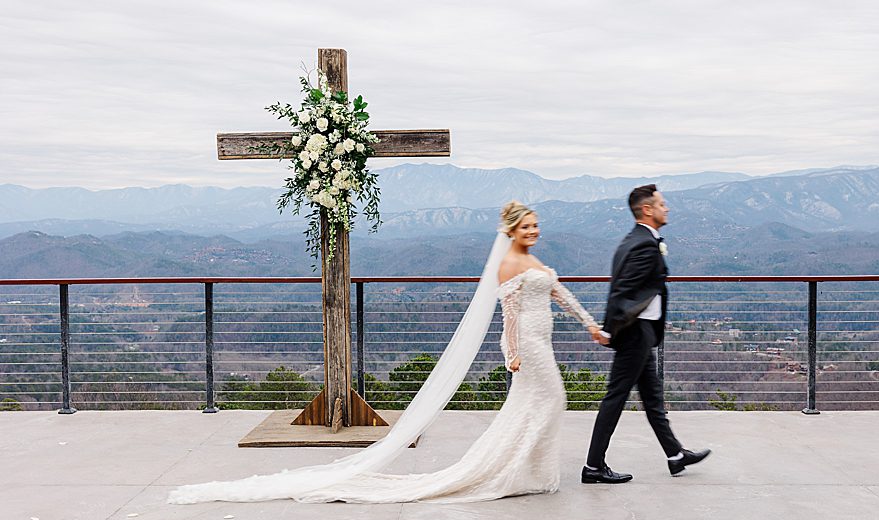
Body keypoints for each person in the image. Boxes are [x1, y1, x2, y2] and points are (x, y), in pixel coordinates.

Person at [169, 201, 601, 504]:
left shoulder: (537, 262)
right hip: (528, 344)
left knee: (539, 405)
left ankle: (528, 470)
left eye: (535, 226)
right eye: (526, 227)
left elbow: (560, 293)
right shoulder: (509, 264)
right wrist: (511, 353)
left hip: (546, 339)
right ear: (511, 231)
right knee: (547, 402)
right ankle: (511, 470)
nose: (533, 231)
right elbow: (507, 314)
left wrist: (589, 324)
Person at [582, 185, 710, 484]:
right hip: (634, 334)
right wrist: (608, 330)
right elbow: (623, 291)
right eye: (663, 204)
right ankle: (592, 466)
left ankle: (675, 455)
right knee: (615, 398)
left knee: (653, 399)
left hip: (643, 333)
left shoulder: (635, 240)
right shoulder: (643, 245)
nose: (668, 209)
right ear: (647, 210)